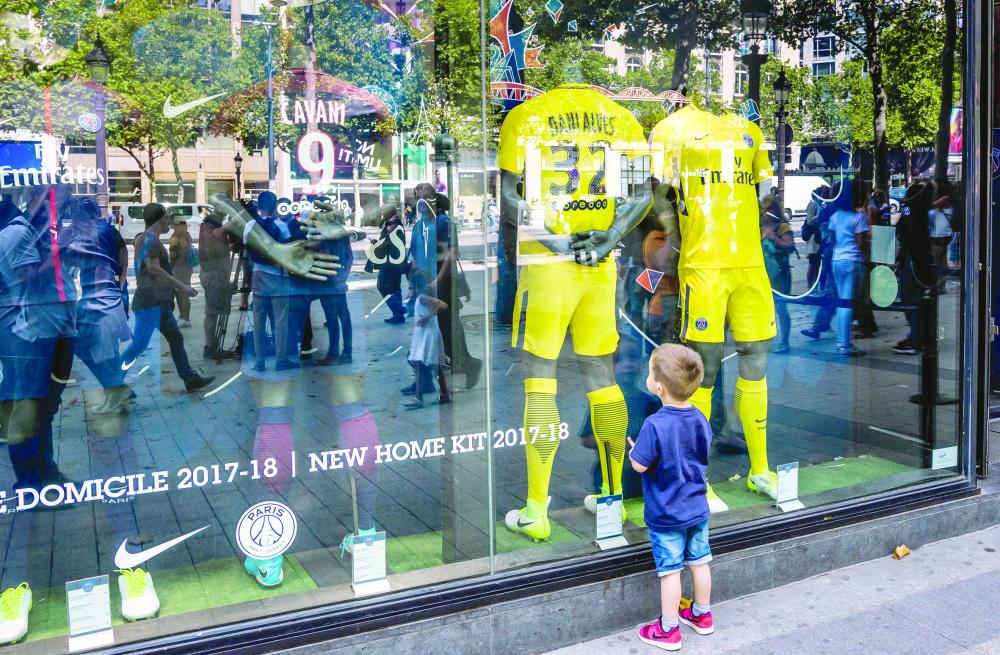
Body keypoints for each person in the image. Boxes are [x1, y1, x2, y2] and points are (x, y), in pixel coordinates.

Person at [629, 343, 714, 650]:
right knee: (700, 562)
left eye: (650, 372)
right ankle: (702, 615)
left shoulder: (654, 424)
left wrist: (634, 450)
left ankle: (668, 630)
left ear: (659, 387)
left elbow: (640, 465)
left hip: (667, 513)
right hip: (697, 507)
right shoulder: (700, 417)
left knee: (670, 572)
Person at [121, 203, 214, 392]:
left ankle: (189, 378)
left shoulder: (145, 238)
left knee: (174, 338)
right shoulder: (151, 240)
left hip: (155, 302)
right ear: (158, 220)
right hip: (150, 302)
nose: (169, 222)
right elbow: (154, 269)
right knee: (140, 345)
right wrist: (182, 286)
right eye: (166, 218)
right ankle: (113, 379)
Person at [827, 187, 870, 357]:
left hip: (837, 260)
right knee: (848, 303)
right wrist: (867, 259)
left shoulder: (835, 216)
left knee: (842, 302)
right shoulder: (859, 218)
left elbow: (831, 240)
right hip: (853, 262)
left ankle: (842, 341)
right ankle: (844, 344)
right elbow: (861, 244)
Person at [402, 270, 450, 409]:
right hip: (424, 334)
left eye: (410, 286)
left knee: (420, 364)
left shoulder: (423, 297)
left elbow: (443, 305)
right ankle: (443, 394)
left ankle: (419, 397)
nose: (409, 289)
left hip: (427, 335)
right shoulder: (421, 297)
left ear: (415, 285)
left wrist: (427, 317)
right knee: (433, 366)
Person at [760, 194, 794, 354]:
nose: (767, 212)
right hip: (765, 275)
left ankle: (784, 341)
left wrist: (774, 238)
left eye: (770, 208)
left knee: (781, 308)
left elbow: (790, 246)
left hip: (781, 275)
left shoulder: (782, 227)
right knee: (765, 309)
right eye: (765, 209)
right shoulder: (761, 227)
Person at [199, 211, 235, 359]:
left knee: (213, 312)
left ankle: (212, 346)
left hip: (214, 276)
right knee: (212, 313)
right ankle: (210, 348)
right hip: (214, 277)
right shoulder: (210, 231)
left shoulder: (207, 232)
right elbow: (216, 249)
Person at [168, 219, 195, 327]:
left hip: (179, 268)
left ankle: (185, 318)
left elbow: (173, 255)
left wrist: (170, 267)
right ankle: (183, 316)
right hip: (186, 267)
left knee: (182, 294)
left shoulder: (176, 236)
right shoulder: (187, 235)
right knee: (180, 293)